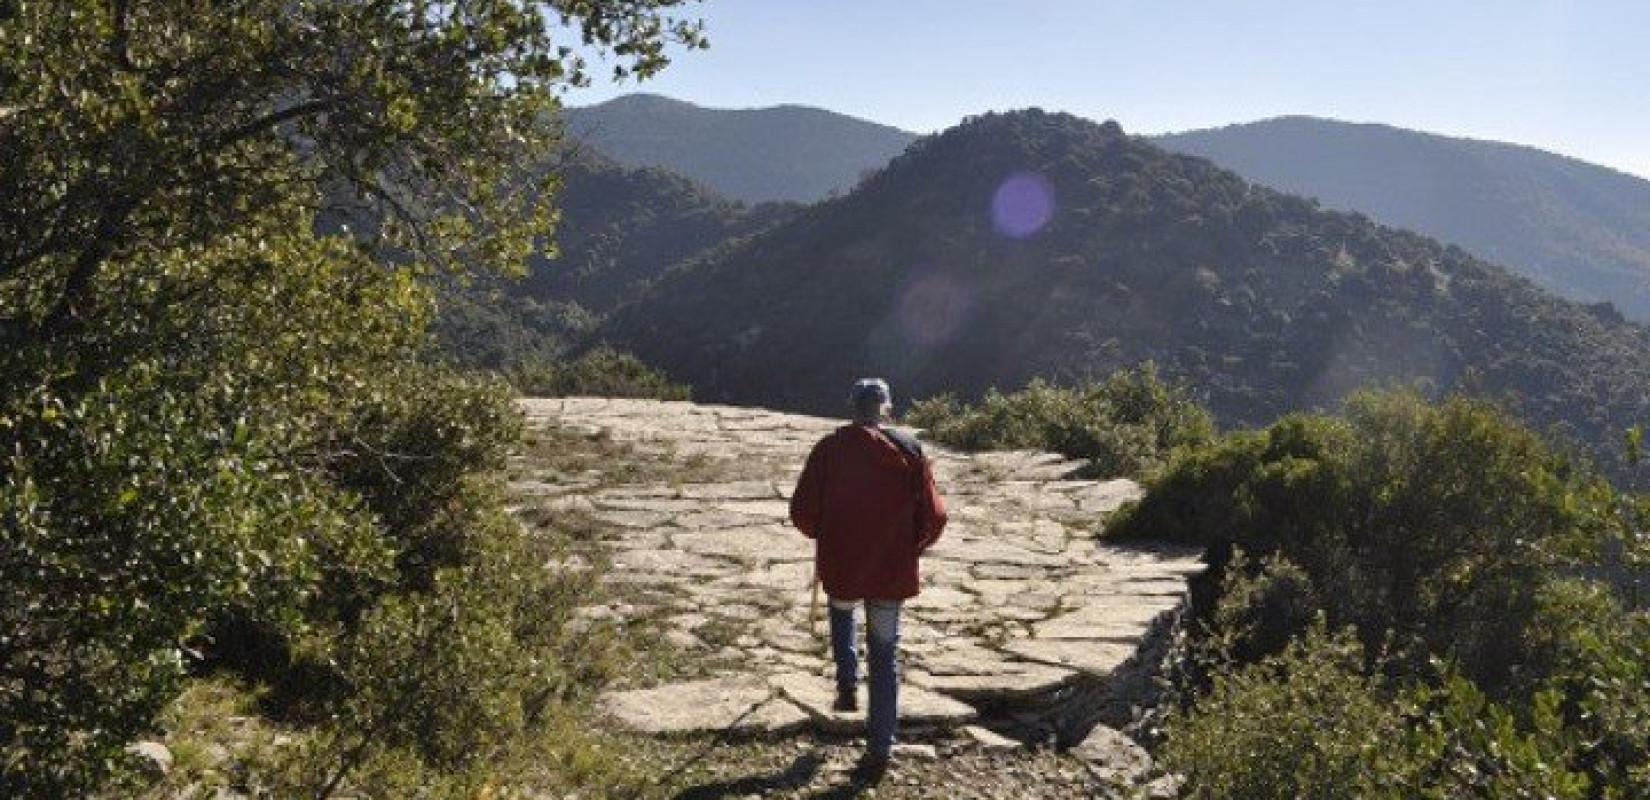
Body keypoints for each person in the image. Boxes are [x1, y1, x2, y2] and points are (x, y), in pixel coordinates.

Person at [789, 378, 948, 772]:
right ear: (887, 409)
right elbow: (936, 515)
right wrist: (913, 546)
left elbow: (802, 511)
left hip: (843, 560)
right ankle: (880, 748)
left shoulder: (830, 449)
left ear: (852, 408)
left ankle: (846, 683)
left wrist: (823, 534)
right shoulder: (909, 450)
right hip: (891, 571)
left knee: (841, 611)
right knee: (885, 652)